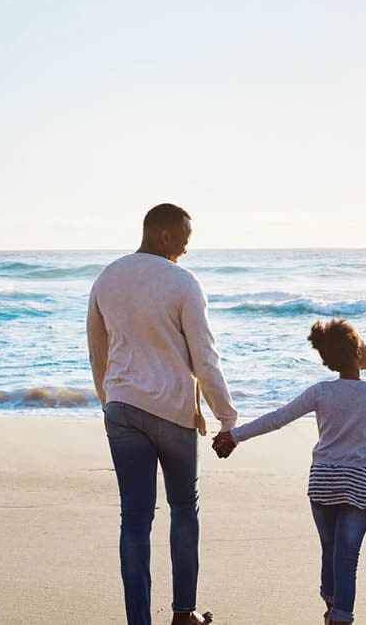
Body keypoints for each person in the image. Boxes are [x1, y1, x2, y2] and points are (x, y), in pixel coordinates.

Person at [87, 202, 238, 625]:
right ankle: (183, 612)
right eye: (185, 240)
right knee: (183, 508)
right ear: (165, 235)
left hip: (122, 409)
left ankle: (139, 620)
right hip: (171, 412)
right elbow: (204, 358)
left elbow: (97, 350)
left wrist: (109, 402)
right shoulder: (183, 282)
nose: (187, 250)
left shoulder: (108, 277)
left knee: (134, 518)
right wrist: (226, 417)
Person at [212, 318, 366, 624]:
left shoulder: (320, 391)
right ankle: (341, 616)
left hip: (323, 482)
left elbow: (279, 417)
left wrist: (234, 436)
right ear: (358, 353)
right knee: (348, 558)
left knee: (330, 549)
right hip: (358, 485)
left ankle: (331, 606)